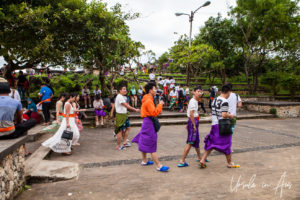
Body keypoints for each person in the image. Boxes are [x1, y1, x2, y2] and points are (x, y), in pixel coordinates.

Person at [200, 85, 240, 168]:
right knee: (227, 143)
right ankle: (230, 163)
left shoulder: (215, 99)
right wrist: (231, 116)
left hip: (214, 124)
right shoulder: (224, 101)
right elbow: (224, 115)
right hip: (222, 125)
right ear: (228, 91)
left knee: (211, 143)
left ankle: (203, 159)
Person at [132, 82, 169, 172]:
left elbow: (153, 111)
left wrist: (158, 107)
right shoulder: (149, 100)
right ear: (150, 90)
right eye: (154, 89)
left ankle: (144, 160)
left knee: (144, 140)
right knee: (152, 142)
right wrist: (160, 105)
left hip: (147, 122)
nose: (156, 90)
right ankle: (159, 165)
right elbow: (153, 113)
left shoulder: (147, 99)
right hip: (149, 123)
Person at [0, 78, 36, 155]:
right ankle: (25, 149)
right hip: (10, 133)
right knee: (31, 121)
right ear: (9, 91)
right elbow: (20, 119)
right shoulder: (16, 102)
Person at [178, 87, 204, 167]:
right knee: (190, 142)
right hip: (193, 121)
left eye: (200, 91)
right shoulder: (193, 101)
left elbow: (191, 114)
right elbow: (191, 114)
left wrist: (189, 123)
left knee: (196, 141)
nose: (200, 93)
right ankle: (182, 160)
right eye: (198, 91)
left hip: (193, 121)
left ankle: (200, 157)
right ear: (194, 92)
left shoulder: (195, 101)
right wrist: (193, 125)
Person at [114, 85, 140, 150]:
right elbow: (126, 106)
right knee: (120, 131)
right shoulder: (119, 97)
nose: (125, 90)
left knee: (128, 127)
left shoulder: (123, 97)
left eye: (125, 89)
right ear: (120, 91)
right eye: (124, 89)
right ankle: (118, 146)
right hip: (120, 116)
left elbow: (127, 105)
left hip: (124, 115)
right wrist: (135, 109)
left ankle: (125, 142)